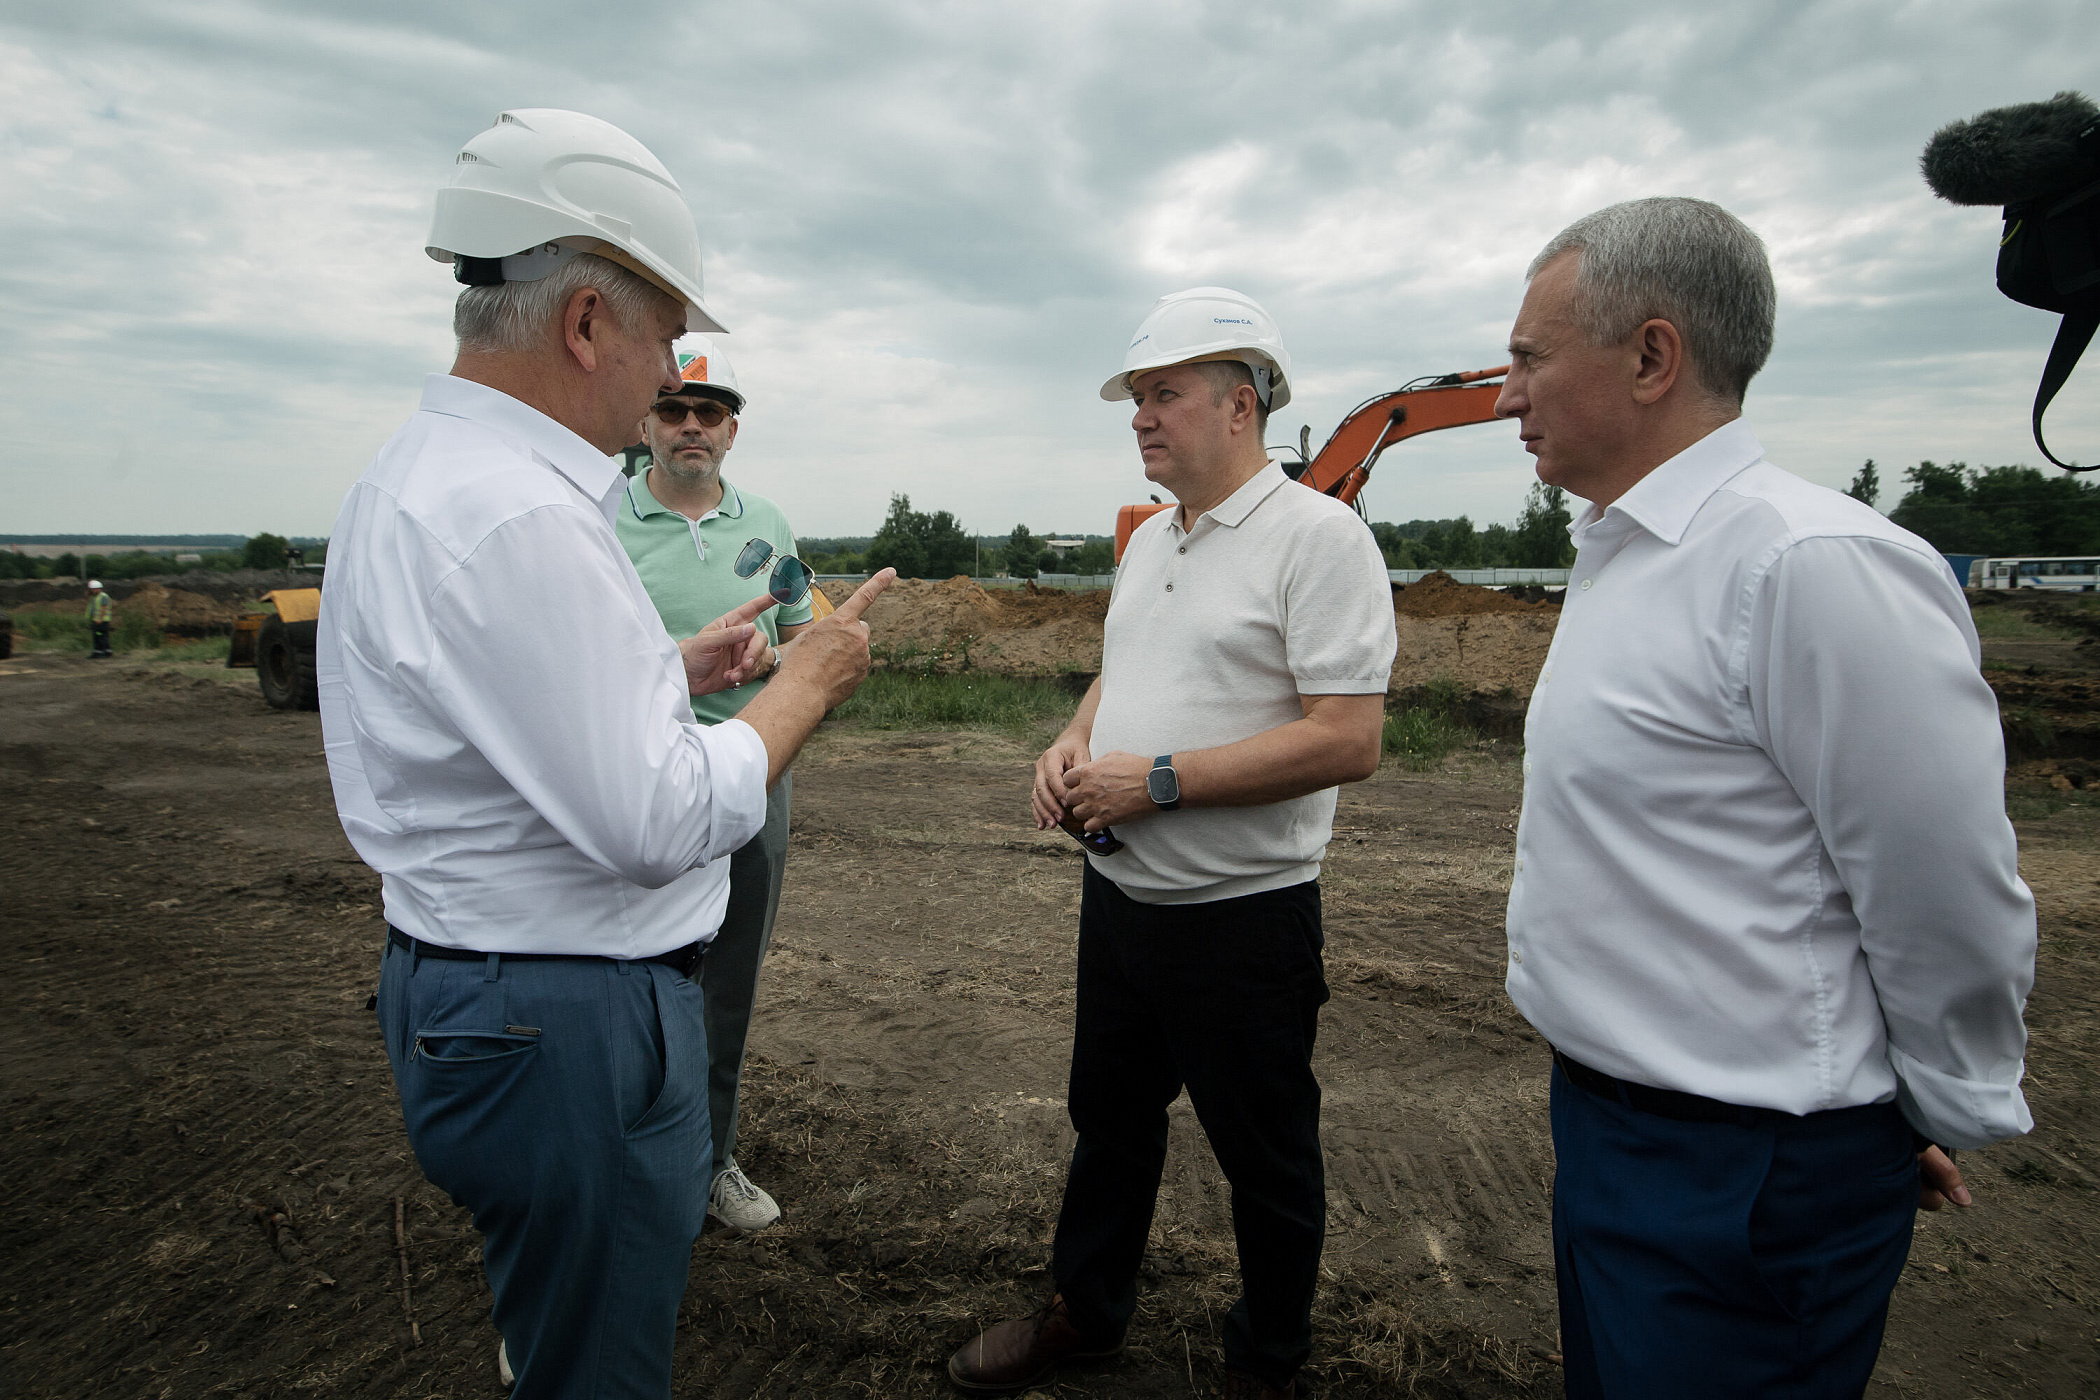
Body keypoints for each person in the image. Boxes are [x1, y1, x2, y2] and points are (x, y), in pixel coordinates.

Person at [316, 108, 894, 1400]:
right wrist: (805, 685)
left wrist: (669, 672)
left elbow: (480, 714)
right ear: (586, 323)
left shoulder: (411, 478)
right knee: (601, 1371)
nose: (674, 371)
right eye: (665, 331)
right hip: (564, 1023)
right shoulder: (524, 514)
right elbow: (657, 814)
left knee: (558, 1327)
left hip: (480, 994)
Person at [1495, 196, 2036, 1399]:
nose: (1504, 394)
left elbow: (1941, 890)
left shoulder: (1810, 565)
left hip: (1742, 1175)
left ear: (1651, 355)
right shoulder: (1629, 555)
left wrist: (1918, 1109)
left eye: (1529, 358)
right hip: (1616, 1130)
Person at [946, 288, 1396, 1400]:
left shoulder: (1321, 538)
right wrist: (1071, 737)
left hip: (1245, 919)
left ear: (1240, 405)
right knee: (1109, 1125)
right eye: (1137, 398)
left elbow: (1350, 736)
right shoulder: (1151, 540)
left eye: (1164, 393)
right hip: (1125, 903)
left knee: (1268, 1158)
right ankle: (1087, 1311)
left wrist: (1154, 781)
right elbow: (1127, 666)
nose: (1141, 417)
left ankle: (1268, 1358)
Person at [616, 336, 814, 1232]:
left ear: (732, 431)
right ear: (647, 424)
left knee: (727, 980)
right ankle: (619, 1170)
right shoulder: (598, 517)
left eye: (709, 413)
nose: (690, 426)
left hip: (750, 774)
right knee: (621, 981)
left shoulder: (767, 522)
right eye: (673, 410)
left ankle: (711, 1161)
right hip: (631, 777)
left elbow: (809, 640)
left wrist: (785, 657)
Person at [85, 580, 113, 657]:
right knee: (97, 636)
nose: (92, 591)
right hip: (96, 620)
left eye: (93, 589)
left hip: (102, 621)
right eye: (91, 589)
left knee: (101, 636)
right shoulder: (94, 597)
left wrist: (100, 619)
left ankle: (105, 652)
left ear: (98, 589)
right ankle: (99, 652)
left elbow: (103, 608)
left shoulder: (103, 597)